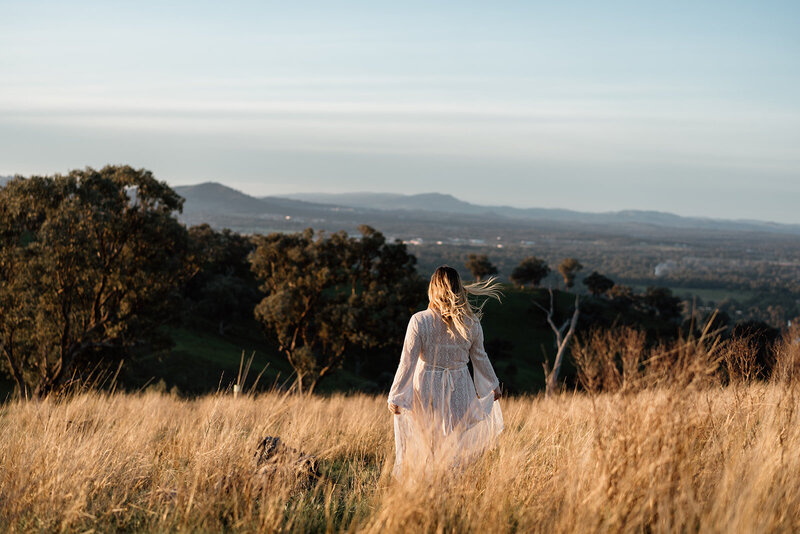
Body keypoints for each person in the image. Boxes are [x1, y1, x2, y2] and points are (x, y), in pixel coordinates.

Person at [387, 265, 504, 480]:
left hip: (426, 386)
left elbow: (407, 361)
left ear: (433, 289)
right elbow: (480, 356)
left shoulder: (419, 320)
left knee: (430, 443)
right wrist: (492, 385)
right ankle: (452, 485)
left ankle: (432, 488)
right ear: (459, 288)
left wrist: (396, 394)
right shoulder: (471, 322)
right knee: (455, 442)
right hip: (460, 386)